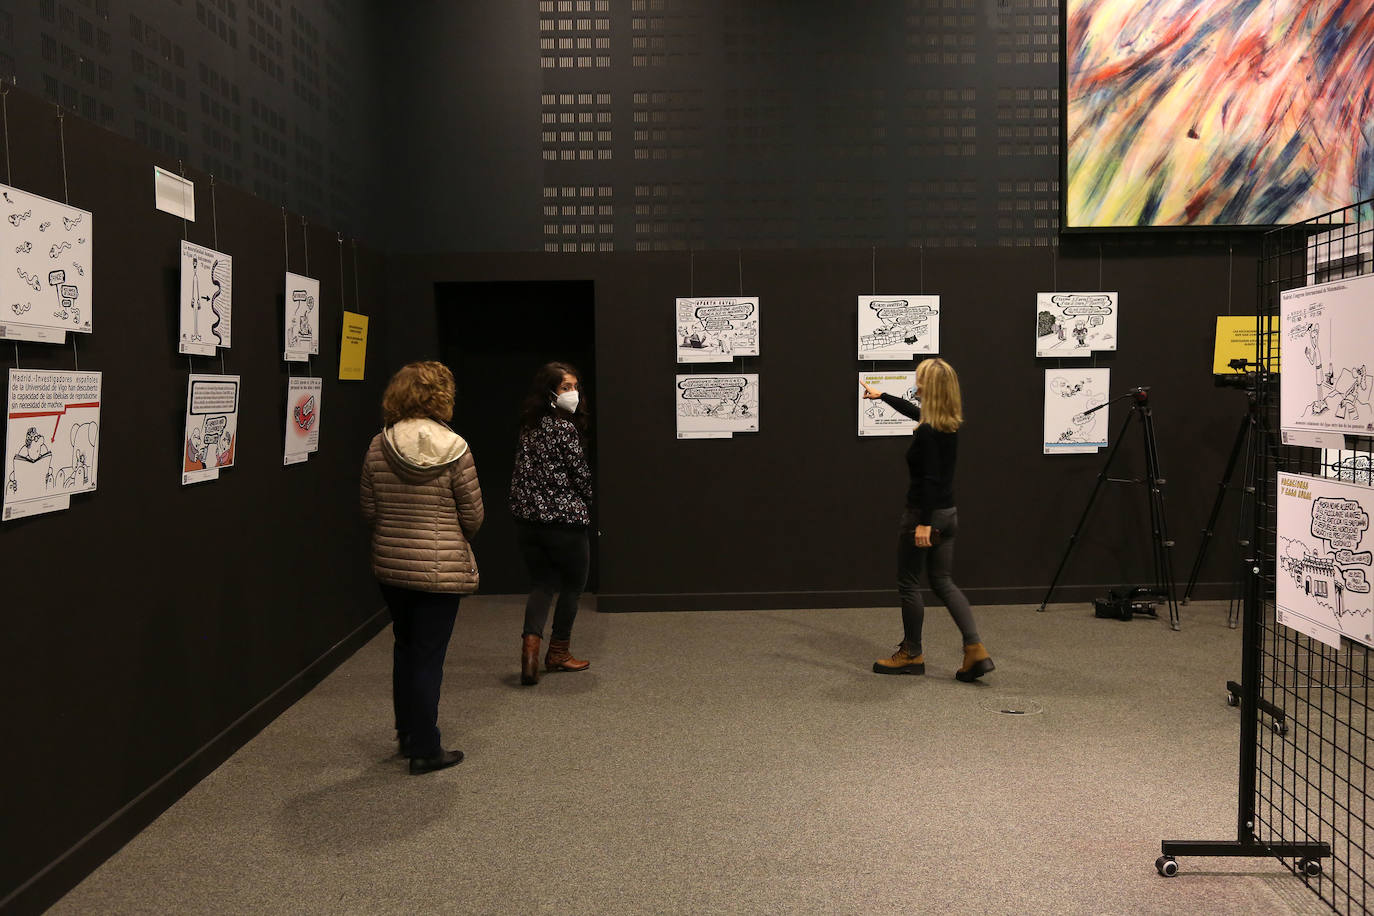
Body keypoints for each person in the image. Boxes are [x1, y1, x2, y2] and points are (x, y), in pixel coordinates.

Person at [360, 361, 483, 774]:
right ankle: (427, 749)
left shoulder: (379, 445)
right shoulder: (457, 449)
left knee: (406, 647)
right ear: (442, 396)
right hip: (440, 568)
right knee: (429, 656)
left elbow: (368, 508)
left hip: (392, 567)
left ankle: (408, 733)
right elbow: (473, 517)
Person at [861, 358, 994, 682]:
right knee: (943, 582)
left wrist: (923, 524)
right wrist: (883, 397)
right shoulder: (946, 423)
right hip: (948, 515)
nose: (916, 385)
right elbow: (916, 413)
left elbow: (931, 480)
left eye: (920, 381)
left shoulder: (928, 434)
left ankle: (911, 653)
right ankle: (975, 650)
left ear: (929, 389)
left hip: (925, 515)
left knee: (908, 583)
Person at [510, 361, 593, 685]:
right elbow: (580, 475)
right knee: (573, 586)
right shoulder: (564, 429)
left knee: (542, 585)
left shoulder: (528, 427)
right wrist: (586, 503)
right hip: (564, 522)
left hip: (528, 521)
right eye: (565, 388)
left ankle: (530, 649)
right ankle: (558, 651)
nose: (573, 393)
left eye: (575, 386)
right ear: (549, 392)